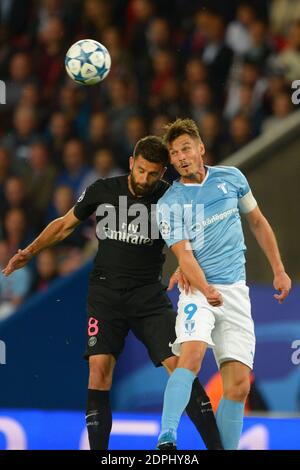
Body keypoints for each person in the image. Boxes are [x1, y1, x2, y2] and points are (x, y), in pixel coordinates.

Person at [2, 135, 223, 450]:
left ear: (163, 173)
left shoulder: (172, 199)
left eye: (154, 174)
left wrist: (183, 265)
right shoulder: (102, 190)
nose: (145, 179)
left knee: (181, 369)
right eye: (141, 170)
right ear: (132, 164)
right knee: (99, 370)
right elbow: (65, 225)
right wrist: (30, 251)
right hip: (105, 295)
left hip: (148, 296)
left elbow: (196, 239)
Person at [156, 118, 291, 450]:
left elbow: (258, 222)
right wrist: (205, 289)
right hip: (197, 291)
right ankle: (166, 437)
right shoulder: (169, 203)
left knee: (239, 386)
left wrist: (279, 270)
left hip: (235, 292)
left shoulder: (232, 178)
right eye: (174, 153)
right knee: (192, 355)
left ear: (200, 148)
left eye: (185, 149)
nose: (181, 157)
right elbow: (183, 255)